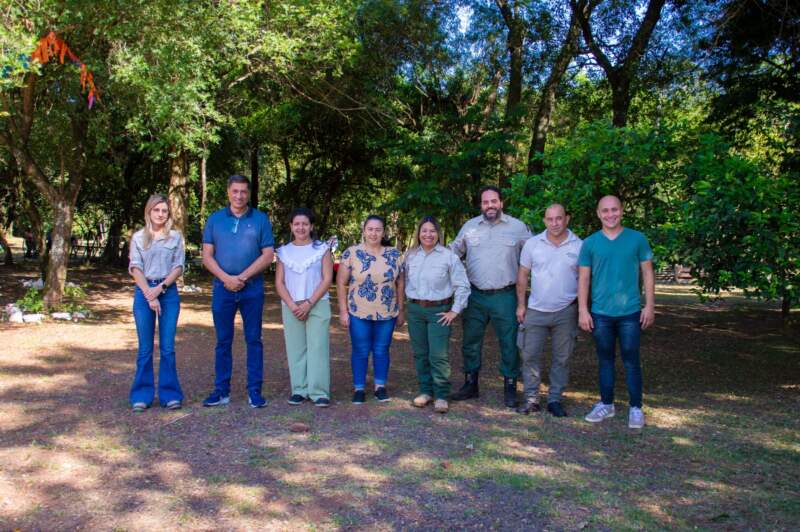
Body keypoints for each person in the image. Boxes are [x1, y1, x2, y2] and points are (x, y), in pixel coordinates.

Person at [450, 185, 531, 407]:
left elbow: (534, 254)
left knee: (509, 342)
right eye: (485, 202)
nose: (490, 205)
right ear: (481, 205)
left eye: (494, 201)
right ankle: (470, 384)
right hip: (475, 295)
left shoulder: (517, 227)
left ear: (501, 203)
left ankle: (510, 387)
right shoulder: (469, 227)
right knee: (470, 340)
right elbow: (452, 254)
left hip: (505, 295)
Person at [578, 195, 655, 429]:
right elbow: (583, 278)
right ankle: (606, 404)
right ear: (598, 213)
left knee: (632, 360)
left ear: (622, 210)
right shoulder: (590, 243)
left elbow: (648, 273)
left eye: (614, 210)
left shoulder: (637, 239)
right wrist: (583, 310)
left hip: (630, 312)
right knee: (605, 361)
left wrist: (650, 305)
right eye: (605, 210)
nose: (610, 214)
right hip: (601, 313)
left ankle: (636, 408)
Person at [201, 175, 275, 408]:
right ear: (228, 192)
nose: (239, 196)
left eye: (243, 191)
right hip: (222, 289)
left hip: (252, 289)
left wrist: (242, 278)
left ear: (248, 193)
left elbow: (268, 255)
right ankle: (221, 391)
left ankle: (255, 392)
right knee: (223, 341)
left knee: (253, 340)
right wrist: (227, 279)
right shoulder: (215, 219)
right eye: (235, 191)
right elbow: (207, 256)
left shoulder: (260, 219)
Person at [515, 204, 582, 417]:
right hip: (535, 310)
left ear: (567, 219)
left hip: (566, 311)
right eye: (550, 219)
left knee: (562, 358)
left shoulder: (579, 245)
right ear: (544, 221)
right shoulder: (533, 244)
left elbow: (584, 279)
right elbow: (523, 275)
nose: (555, 223)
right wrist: (521, 305)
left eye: (559, 218)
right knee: (529, 355)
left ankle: (555, 400)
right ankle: (531, 399)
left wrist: (583, 309)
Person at [403, 216, 470, 414]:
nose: (428, 234)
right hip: (415, 310)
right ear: (418, 233)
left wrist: (455, 310)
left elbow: (462, 285)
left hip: (439, 312)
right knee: (420, 353)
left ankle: (441, 395)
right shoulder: (410, 256)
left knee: (438, 355)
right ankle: (426, 391)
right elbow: (402, 281)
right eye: (424, 230)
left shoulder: (448, 257)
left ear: (438, 233)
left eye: (432, 230)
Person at [336, 215, 405, 404]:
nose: (374, 233)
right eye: (370, 229)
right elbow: (341, 283)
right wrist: (343, 311)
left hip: (387, 311)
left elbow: (400, 284)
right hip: (358, 311)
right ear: (364, 231)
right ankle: (359, 388)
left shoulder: (395, 254)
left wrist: (401, 310)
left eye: (378, 229)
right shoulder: (351, 253)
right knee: (360, 350)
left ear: (384, 232)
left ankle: (380, 387)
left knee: (382, 349)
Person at [128, 194, 185, 412]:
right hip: (144, 292)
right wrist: (149, 295)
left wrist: (160, 289)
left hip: (168, 292)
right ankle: (141, 395)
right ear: (149, 212)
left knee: (167, 348)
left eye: (164, 211)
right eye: (156, 210)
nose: (160, 214)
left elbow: (178, 267)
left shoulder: (175, 237)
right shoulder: (138, 237)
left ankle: (170, 394)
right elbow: (135, 268)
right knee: (145, 348)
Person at [275, 208, 334, 407]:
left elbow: (327, 278)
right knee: (295, 348)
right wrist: (292, 305)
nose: (301, 227)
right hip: (291, 305)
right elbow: (279, 282)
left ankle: (319, 392)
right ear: (291, 226)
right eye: (297, 224)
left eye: (305, 224)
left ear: (311, 226)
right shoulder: (283, 252)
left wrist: (309, 303)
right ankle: (299, 389)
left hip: (317, 303)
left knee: (318, 347)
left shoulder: (322, 249)